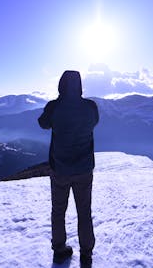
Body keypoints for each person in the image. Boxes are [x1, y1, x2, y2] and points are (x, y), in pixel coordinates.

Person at [38, 70, 99, 267]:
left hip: (60, 169)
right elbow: (94, 122)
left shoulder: (54, 107)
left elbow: (43, 124)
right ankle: (86, 253)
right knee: (84, 211)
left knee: (58, 211)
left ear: (61, 85)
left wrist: (56, 105)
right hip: (84, 169)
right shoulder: (90, 107)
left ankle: (59, 249)